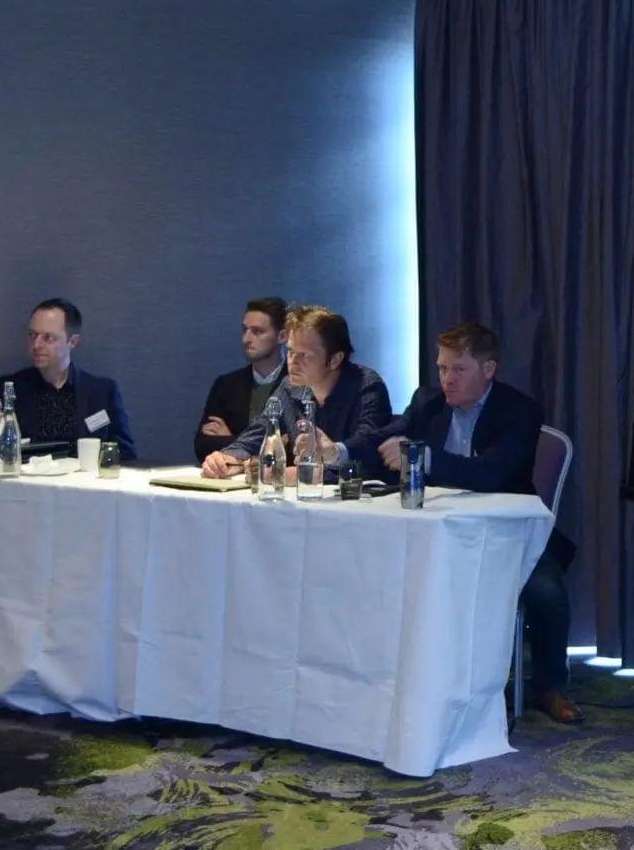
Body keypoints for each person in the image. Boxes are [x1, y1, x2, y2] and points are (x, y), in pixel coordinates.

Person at [370, 322, 580, 724]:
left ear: (488, 370)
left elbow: (491, 474)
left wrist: (423, 458)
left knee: (546, 590)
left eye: (459, 369)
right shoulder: (428, 403)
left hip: (509, 531)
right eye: (442, 368)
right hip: (440, 530)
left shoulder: (519, 410)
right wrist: (340, 450)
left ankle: (550, 686)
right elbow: (385, 438)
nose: (447, 379)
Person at [201, 305, 392, 479]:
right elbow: (259, 434)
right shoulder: (290, 386)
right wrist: (227, 459)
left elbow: (367, 451)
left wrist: (305, 473)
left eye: (304, 355)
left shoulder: (365, 385)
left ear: (335, 359)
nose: (292, 362)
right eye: (291, 351)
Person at [0, 298, 136, 459]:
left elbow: (126, 454)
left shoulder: (102, 392)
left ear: (72, 341)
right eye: (32, 335)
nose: (36, 345)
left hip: (83, 484)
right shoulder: (8, 389)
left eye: (48, 338)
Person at [194, 297, 290, 462]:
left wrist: (232, 438)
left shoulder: (297, 385)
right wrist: (244, 443)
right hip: (230, 475)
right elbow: (202, 446)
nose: (246, 339)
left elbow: (292, 448)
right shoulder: (226, 385)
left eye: (257, 332)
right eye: (245, 330)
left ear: (282, 336)